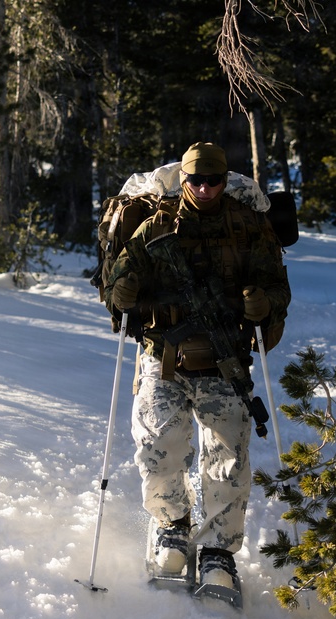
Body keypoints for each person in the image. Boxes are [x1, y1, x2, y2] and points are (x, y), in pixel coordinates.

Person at [104, 142, 290, 588]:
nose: (204, 188)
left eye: (214, 180)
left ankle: (217, 551)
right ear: (184, 180)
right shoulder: (154, 229)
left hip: (226, 362)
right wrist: (121, 295)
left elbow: (277, 287)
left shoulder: (248, 228)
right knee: (159, 447)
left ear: (225, 180)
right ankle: (172, 526)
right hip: (162, 357)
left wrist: (264, 303)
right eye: (195, 180)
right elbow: (115, 285)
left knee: (228, 459)